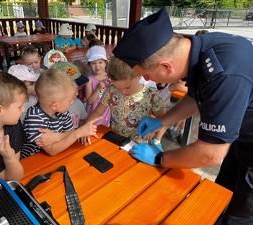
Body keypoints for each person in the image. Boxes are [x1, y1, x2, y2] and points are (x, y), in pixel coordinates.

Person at [112, 7, 253, 224]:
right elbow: (196, 97)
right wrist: (162, 121)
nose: (149, 80)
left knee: (238, 216)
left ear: (166, 66)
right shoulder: (200, 50)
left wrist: (160, 159)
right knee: (219, 196)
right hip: (240, 140)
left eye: (148, 75)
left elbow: (210, 154)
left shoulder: (224, 72)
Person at [82, 56, 165, 147]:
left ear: (139, 75)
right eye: (118, 87)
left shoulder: (151, 95)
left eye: (127, 87)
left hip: (138, 145)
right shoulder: (111, 90)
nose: (123, 92)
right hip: (114, 139)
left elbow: (163, 118)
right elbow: (98, 111)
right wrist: (87, 126)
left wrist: (153, 130)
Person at [21, 68, 100, 158]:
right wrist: (77, 133)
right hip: (32, 162)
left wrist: (57, 137)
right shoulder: (34, 117)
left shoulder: (61, 111)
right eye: (70, 100)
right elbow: (51, 150)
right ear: (55, 105)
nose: (72, 103)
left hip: (58, 156)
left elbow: (69, 131)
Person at [51, 62, 89, 128]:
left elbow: (82, 121)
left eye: (77, 87)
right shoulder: (48, 110)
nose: (77, 93)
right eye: (73, 87)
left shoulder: (77, 103)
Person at [85, 45, 111, 127]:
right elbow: (89, 101)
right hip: (93, 113)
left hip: (106, 112)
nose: (97, 66)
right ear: (89, 65)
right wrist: (97, 89)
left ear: (105, 63)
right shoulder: (89, 80)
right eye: (93, 63)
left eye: (100, 62)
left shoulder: (109, 77)